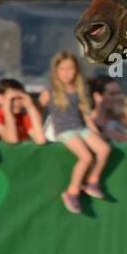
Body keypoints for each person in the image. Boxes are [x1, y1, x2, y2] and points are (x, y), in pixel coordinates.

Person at [40, 51, 111, 214]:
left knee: (104, 149)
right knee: (86, 157)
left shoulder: (81, 87)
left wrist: (95, 132)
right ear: (56, 71)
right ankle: (72, 192)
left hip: (80, 127)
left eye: (71, 68)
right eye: (63, 69)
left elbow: (85, 114)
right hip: (64, 130)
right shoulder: (50, 90)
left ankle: (92, 181)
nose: (67, 73)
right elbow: (39, 110)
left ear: (77, 70)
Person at [0, 78, 46, 145]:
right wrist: (7, 110)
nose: (17, 103)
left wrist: (30, 107)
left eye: (20, 98)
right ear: (0, 99)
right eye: (13, 99)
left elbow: (41, 140)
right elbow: (12, 140)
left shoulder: (23, 117)